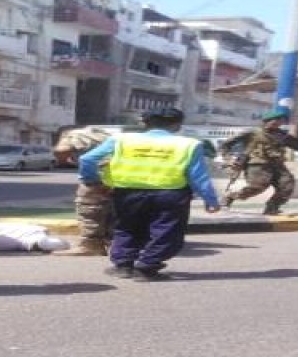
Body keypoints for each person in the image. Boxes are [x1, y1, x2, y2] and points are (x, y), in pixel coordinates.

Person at [78, 107, 220, 282]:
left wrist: (92, 180)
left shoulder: (121, 139)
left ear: (145, 123)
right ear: (177, 125)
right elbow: (198, 176)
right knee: (167, 231)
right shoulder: (189, 144)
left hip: (127, 192)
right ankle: (147, 265)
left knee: (126, 228)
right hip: (170, 194)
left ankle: (123, 265)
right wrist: (210, 199)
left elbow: (87, 159)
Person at [219, 110, 298, 215]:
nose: (278, 123)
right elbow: (226, 144)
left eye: (280, 121)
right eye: (275, 120)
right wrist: (229, 159)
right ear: (267, 121)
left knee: (287, 186)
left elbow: (296, 144)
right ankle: (230, 197)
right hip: (257, 165)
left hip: (277, 165)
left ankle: (272, 207)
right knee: (258, 187)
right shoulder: (253, 132)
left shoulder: (282, 135)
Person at [51, 126, 113, 256]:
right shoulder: (105, 134)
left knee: (89, 211)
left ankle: (91, 246)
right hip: (117, 177)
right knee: (111, 212)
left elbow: (61, 150)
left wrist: (63, 159)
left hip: (95, 179)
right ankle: (113, 244)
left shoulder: (71, 134)